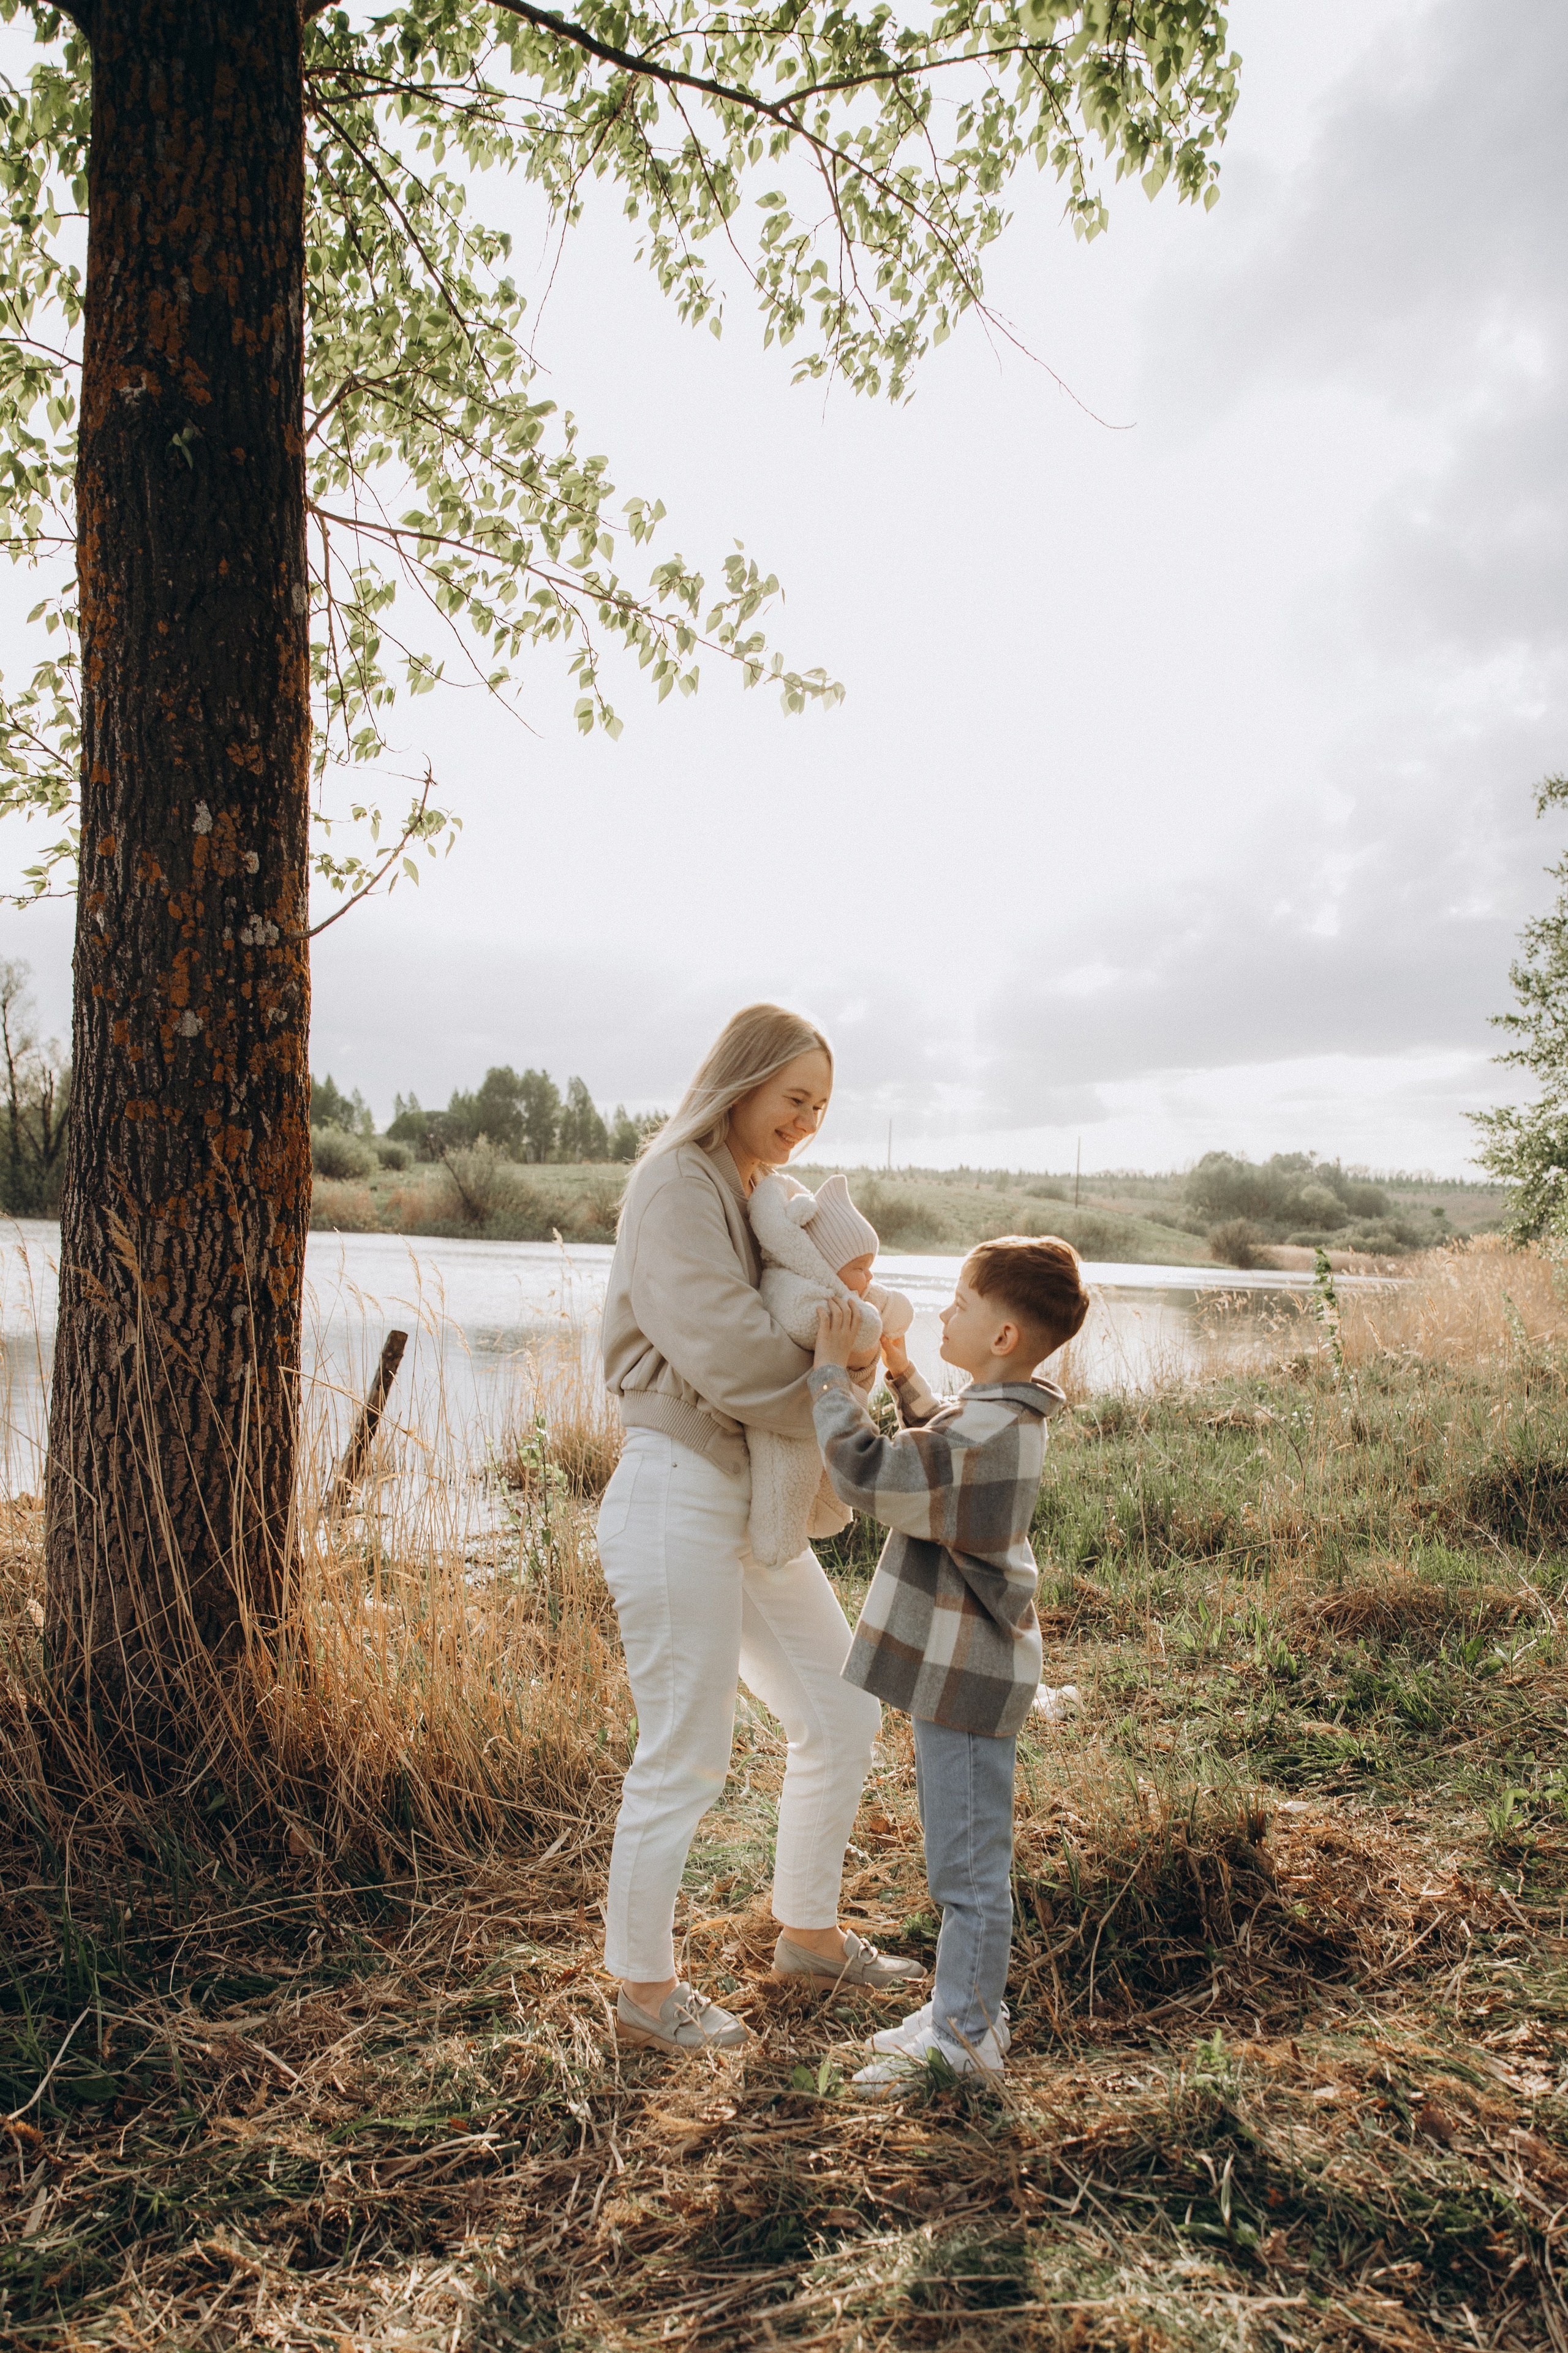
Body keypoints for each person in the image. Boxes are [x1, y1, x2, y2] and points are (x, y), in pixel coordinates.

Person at [597, 1003, 924, 2055]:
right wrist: (839, 1381)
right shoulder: (675, 1183)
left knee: (839, 1708)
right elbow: (732, 1354)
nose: (807, 1124)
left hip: (747, 1496)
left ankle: (810, 1936)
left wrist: (851, 1363)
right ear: (742, 1082)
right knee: (685, 1754)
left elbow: (821, 1311)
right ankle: (644, 1997)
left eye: (822, 1108)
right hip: (678, 1488)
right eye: (796, 1100)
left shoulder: (762, 1197)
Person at [805, 1236, 1091, 2091]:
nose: (942, 1313)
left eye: (960, 1304)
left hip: (966, 1678)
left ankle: (966, 2039)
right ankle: (964, 2008)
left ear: (1002, 1336)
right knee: (964, 1859)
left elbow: (873, 1470)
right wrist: (896, 1370)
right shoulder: (999, 1415)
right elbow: (940, 1435)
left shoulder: (984, 1432)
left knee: (967, 1874)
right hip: (968, 1670)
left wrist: (830, 1373)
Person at [743, 1171, 914, 1567]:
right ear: (825, 1262)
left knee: (818, 1469)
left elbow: (896, 1310)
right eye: (860, 1266)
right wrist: (869, 1321)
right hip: (786, 1412)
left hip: (823, 1401)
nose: (869, 1277)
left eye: (871, 1266)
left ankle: (807, 1529)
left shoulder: (850, 1291)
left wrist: (870, 1308)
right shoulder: (790, 1287)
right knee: (786, 1474)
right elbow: (809, 1320)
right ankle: (776, 1542)